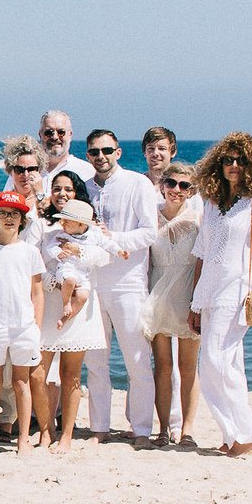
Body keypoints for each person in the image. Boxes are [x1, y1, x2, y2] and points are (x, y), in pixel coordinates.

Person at [189, 133, 252, 457]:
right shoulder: (213, 203)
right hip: (210, 293)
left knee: (213, 362)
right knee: (229, 364)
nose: (233, 165)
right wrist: (195, 302)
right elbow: (202, 254)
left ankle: (246, 432)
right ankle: (233, 435)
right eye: (227, 160)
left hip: (238, 293)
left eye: (240, 160)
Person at [82, 128, 161, 446]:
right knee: (95, 361)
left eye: (106, 150)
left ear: (118, 152)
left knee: (137, 360)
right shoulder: (84, 188)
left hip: (128, 283)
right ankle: (99, 427)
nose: (100, 157)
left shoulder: (137, 184)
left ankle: (141, 429)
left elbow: (149, 232)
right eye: (94, 152)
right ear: (88, 155)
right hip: (93, 281)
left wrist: (112, 238)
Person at [36, 172, 109, 453]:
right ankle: (45, 429)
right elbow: (35, 263)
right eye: (57, 188)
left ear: (77, 194)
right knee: (37, 372)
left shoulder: (91, 230)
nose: (62, 193)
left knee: (71, 373)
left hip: (78, 303)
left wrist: (77, 251)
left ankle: (66, 435)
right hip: (48, 300)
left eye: (68, 189)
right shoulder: (43, 226)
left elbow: (104, 257)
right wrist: (53, 280)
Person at [0, 192, 46, 456]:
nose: (9, 218)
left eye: (14, 213)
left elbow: (37, 292)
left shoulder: (30, 252)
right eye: (3, 213)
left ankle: (23, 438)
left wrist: (35, 326)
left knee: (21, 382)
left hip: (23, 327)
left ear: (22, 219)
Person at [142, 160, 202, 446]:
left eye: (184, 185)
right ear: (162, 184)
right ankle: (164, 429)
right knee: (162, 366)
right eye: (171, 183)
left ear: (192, 190)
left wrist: (200, 301)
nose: (176, 190)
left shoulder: (199, 219)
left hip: (188, 295)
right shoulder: (149, 217)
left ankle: (187, 430)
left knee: (188, 366)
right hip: (157, 294)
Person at [45, 199, 111, 328]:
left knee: (83, 296)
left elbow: (106, 253)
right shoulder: (62, 234)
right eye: (62, 221)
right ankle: (66, 303)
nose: (62, 224)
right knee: (69, 280)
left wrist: (120, 251)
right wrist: (58, 253)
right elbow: (52, 247)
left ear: (81, 224)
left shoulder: (93, 235)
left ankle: (65, 318)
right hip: (67, 271)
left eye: (66, 221)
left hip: (84, 275)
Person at [35, 110, 92, 190]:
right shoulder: (25, 172)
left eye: (61, 132)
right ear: (40, 135)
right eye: (48, 132)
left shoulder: (87, 172)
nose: (55, 137)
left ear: (70, 134)